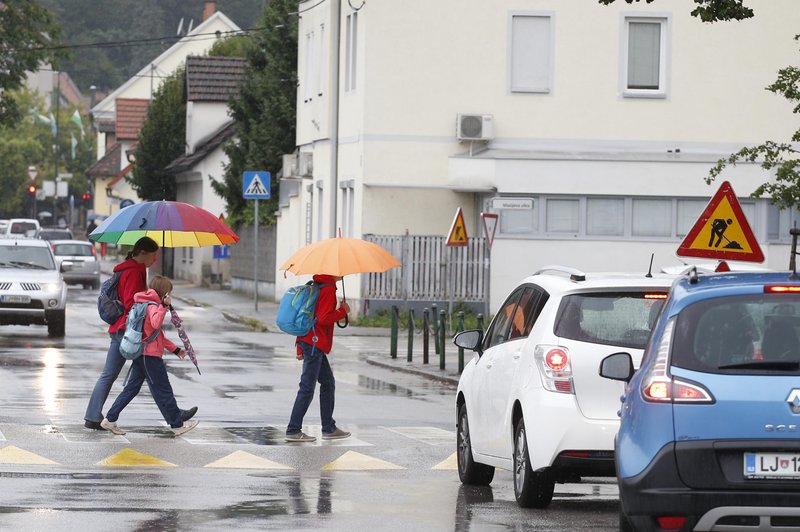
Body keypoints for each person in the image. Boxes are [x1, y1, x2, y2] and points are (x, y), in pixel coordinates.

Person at [84, 237, 197, 430]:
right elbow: (132, 303)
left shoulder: (127, 268)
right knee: (151, 378)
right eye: (153, 256)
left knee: (133, 379)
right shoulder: (135, 271)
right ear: (143, 253)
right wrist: (154, 301)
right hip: (130, 332)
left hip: (124, 329)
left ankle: (97, 416)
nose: (155, 260)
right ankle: (175, 417)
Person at [101, 276, 199, 436]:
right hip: (150, 357)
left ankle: (109, 419)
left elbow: (156, 335)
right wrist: (163, 306)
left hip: (141, 354)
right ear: (164, 293)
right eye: (169, 293)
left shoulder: (141, 303)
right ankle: (177, 425)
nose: (170, 296)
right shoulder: (152, 306)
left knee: (132, 389)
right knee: (163, 389)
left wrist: (175, 350)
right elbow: (155, 324)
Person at [285, 274, 351, 442]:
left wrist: (300, 342)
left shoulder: (317, 285)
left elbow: (308, 315)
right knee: (307, 387)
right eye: (339, 270)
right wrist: (343, 311)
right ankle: (293, 429)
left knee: (328, 382)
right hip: (315, 343)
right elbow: (323, 318)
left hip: (311, 341)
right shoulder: (327, 289)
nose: (342, 273)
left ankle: (329, 427)